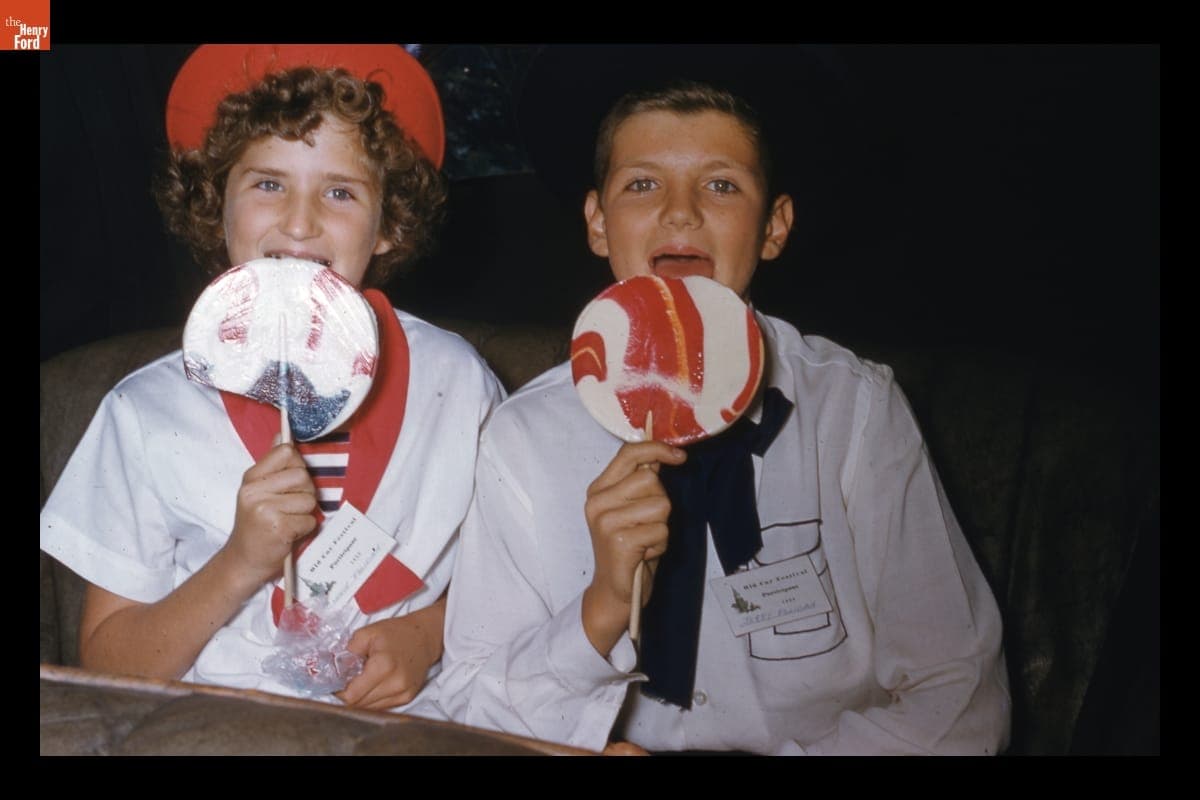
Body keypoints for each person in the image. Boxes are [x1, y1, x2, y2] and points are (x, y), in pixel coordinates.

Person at [438, 51, 1011, 754]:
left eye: (721, 185)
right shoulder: (522, 437)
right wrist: (603, 607)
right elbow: (467, 714)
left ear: (773, 226)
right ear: (597, 222)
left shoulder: (855, 412)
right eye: (643, 183)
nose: (681, 211)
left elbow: (961, 700)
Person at [39, 44, 504, 716]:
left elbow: (515, 587)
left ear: (388, 225)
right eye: (267, 183)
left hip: (417, 728)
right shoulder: (142, 411)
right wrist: (241, 562)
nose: (299, 221)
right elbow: (107, 665)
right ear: (213, 206)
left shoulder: (457, 382)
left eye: (340, 191)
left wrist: (425, 635)